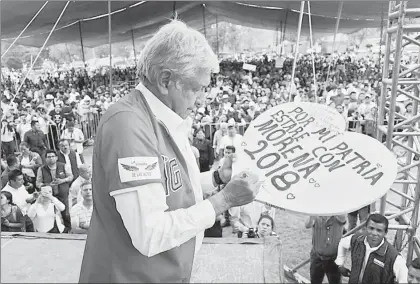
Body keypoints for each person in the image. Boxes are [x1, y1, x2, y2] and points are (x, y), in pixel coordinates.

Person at [79, 20, 260, 283]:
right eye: (197, 88)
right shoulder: (127, 125)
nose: (201, 99)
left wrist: (217, 178)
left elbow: (169, 188)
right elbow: (150, 233)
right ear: (166, 80)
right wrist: (225, 201)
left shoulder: (162, 117)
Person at [335, 213, 408, 284]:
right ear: (366, 228)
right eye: (371, 228)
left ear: (385, 233)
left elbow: (403, 280)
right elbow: (342, 243)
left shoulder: (394, 257)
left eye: (379, 230)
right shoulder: (356, 239)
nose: (374, 233)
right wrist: (340, 264)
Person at [305, 215, 346, 284]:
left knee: (335, 282)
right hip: (317, 257)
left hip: (334, 258)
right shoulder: (316, 215)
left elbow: (343, 218)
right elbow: (307, 225)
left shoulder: (339, 215)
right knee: (315, 281)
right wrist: (312, 215)